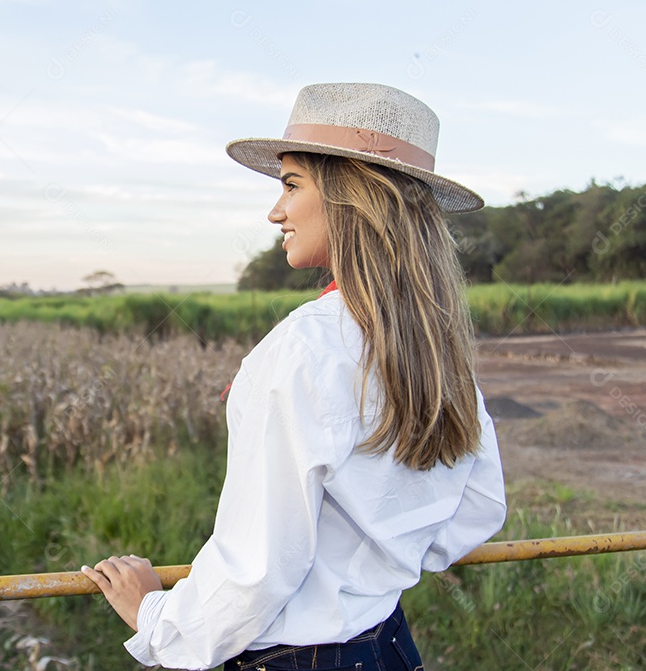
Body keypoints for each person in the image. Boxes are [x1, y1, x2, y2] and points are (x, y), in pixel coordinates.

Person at [81, 83, 507, 670]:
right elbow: (479, 506)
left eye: (291, 184)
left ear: (355, 196)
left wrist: (157, 616)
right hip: (389, 646)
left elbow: (257, 569)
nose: (274, 211)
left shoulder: (305, 347)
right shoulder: (436, 343)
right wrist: (379, 567)